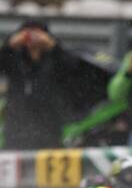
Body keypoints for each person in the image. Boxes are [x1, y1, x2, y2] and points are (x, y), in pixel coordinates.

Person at [0, 20, 82, 149]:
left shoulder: (55, 57)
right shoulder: (13, 57)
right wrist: (9, 45)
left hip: (48, 124)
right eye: (27, 33)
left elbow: (72, 68)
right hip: (17, 125)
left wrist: (52, 45)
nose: (32, 37)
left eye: (36, 33)